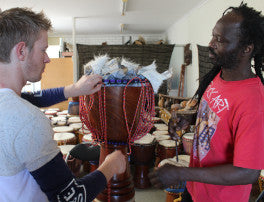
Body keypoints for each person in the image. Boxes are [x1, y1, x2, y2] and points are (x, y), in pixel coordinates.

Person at [0, 7, 126, 202]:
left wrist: (74, 89)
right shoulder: (27, 119)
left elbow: (31, 98)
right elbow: (72, 198)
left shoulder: (12, 105)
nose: (48, 58)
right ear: (21, 51)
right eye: (43, 50)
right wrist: (111, 164)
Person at [149, 3, 264, 202]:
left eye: (220, 40)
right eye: (213, 35)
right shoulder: (219, 75)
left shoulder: (254, 102)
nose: (211, 43)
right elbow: (218, 117)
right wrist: (189, 120)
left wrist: (181, 173)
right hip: (196, 189)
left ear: (246, 49)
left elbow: (247, 172)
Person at [21, 73, 103, 108]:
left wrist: (76, 89)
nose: (47, 59)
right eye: (42, 50)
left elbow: (35, 98)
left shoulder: (17, 98)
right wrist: (76, 88)